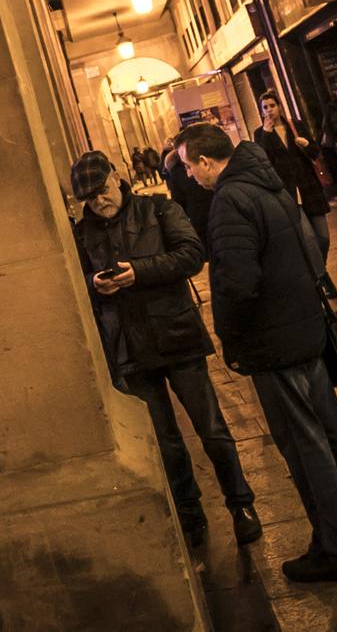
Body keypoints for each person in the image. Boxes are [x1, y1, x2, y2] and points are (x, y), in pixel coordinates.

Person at [180, 123, 337, 584]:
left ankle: (336, 549)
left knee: (304, 443)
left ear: (205, 162)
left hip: (274, 340)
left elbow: (238, 282)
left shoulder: (231, 200)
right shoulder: (269, 183)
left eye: (188, 166)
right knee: (335, 432)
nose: (189, 175)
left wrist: (232, 338)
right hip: (305, 328)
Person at [69, 151, 260, 549]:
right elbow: (74, 281)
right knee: (164, 439)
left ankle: (241, 504)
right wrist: (94, 284)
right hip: (129, 346)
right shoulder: (81, 233)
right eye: (89, 198)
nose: (99, 202)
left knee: (212, 430)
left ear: (116, 177)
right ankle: (190, 514)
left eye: (102, 191)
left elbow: (192, 254)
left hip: (176, 334)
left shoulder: (156, 208)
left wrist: (139, 272)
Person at [256, 94, 337, 298]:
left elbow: (315, 152)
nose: (269, 110)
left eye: (272, 106)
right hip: (287, 194)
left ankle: (319, 268)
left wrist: (306, 145)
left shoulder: (296, 126)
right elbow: (262, 162)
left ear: (280, 107)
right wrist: (266, 133)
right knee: (309, 239)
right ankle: (322, 278)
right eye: (265, 107)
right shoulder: (260, 133)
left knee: (323, 238)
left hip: (309, 188)